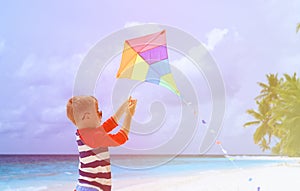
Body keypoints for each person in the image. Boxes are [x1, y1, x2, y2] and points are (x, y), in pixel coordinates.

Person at [66, 95, 137, 191]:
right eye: (97, 111)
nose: (100, 114)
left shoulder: (85, 134)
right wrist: (128, 116)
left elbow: (111, 123)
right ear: (87, 117)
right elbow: (121, 138)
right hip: (93, 188)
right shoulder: (94, 137)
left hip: (85, 185)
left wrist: (124, 107)